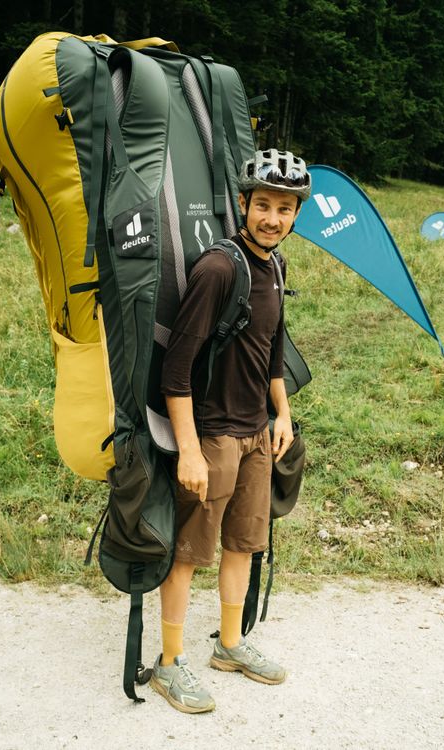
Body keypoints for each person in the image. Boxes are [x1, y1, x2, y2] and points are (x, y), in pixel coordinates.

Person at [149, 149, 311, 713]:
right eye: (263, 204)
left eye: (284, 208)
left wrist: (282, 414)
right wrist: (189, 451)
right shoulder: (220, 269)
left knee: (244, 543)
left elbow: (273, 351)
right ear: (242, 204)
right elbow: (176, 368)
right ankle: (169, 664)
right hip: (213, 435)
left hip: (257, 434)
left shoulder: (277, 265)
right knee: (191, 552)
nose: (272, 217)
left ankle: (230, 646)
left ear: (295, 215)